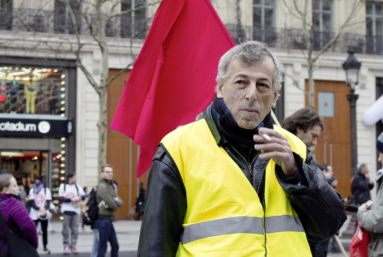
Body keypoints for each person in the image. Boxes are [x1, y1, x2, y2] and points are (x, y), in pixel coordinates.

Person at [137, 41, 346, 256]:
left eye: (262, 85)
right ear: (220, 87)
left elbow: (329, 225)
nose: (251, 94)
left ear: (274, 97)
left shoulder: (294, 149)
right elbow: (155, 246)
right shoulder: (178, 147)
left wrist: (295, 174)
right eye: (241, 82)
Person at [357, 132, 383, 256]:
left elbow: (377, 222)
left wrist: (361, 213)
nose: (379, 158)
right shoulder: (357, 178)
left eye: (381, 152)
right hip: (361, 201)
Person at [0, 174, 38, 257]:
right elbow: (29, 226)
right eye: (15, 185)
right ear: (5, 190)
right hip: (11, 249)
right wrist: (33, 244)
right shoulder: (12, 204)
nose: (18, 187)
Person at [96, 164, 123, 257]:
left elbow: (121, 202)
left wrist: (114, 202)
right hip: (103, 220)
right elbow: (114, 205)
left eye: (111, 172)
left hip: (108, 220)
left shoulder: (110, 186)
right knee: (103, 248)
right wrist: (114, 201)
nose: (110, 174)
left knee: (115, 246)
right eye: (107, 172)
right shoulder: (102, 186)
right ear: (102, 173)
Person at [58, 173, 86, 254]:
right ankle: (66, 246)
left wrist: (80, 198)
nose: (76, 179)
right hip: (66, 211)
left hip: (75, 211)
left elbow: (84, 196)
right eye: (74, 177)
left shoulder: (77, 187)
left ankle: (73, 245)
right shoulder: (63, 187)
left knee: (75, 230)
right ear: (70, 178)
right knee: (65, 230)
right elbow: (62, 199)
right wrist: (72, 199)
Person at [28, 175, 51, 254]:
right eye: (36, 182)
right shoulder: (32, 191)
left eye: (39, 182)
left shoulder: (46, 190)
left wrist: (44, 209)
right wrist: (39, 209)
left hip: (43, 214)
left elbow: (48, 202)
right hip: (34, 215)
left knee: (44, 231)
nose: (37, 183)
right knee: (33, 231)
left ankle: (45, 247)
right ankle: (33, 247)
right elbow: (31, 202)